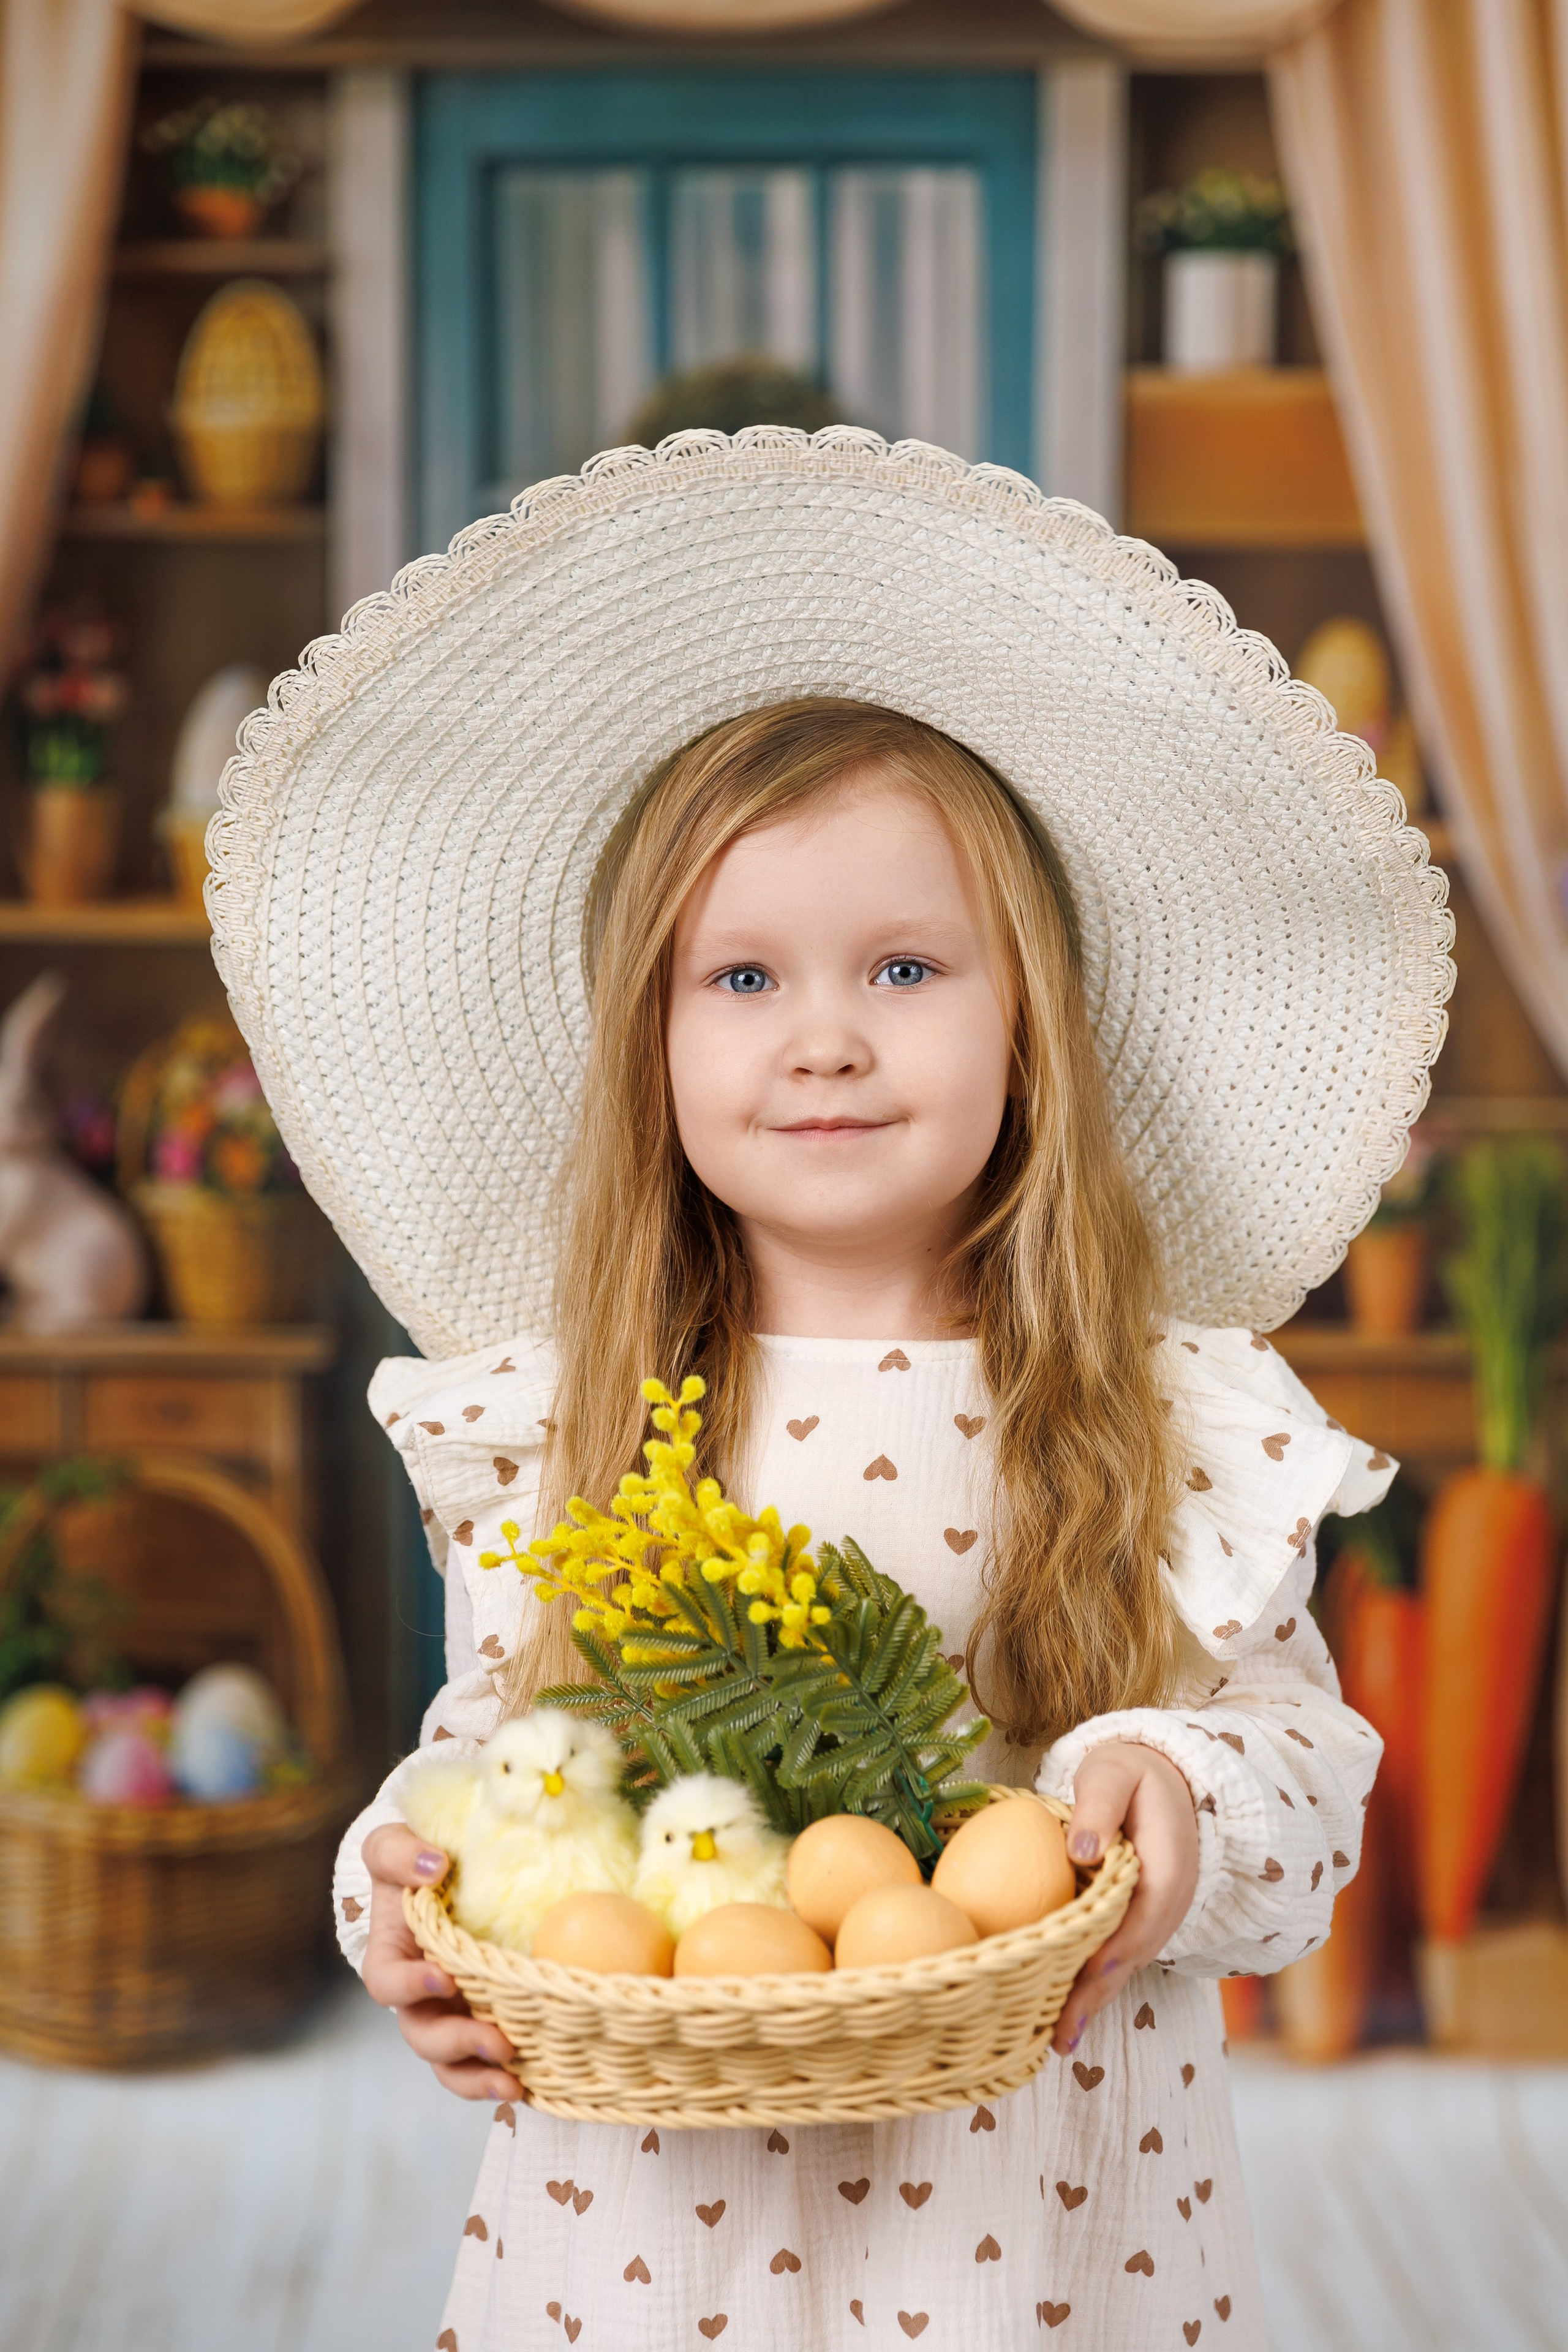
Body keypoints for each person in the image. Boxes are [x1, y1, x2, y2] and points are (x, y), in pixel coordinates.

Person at [211, 430, 1452, 2351]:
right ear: (650, 1045)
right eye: (741, 982)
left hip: (1042, 2232)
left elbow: (1312, 1784)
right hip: (654, 2240)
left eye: (902, 967)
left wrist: (1183, 1796)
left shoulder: (1158, 1414)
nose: (825, 1043)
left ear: (1027, 1023)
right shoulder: (584, 1423)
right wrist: (409, 1887)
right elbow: (499, 1746)